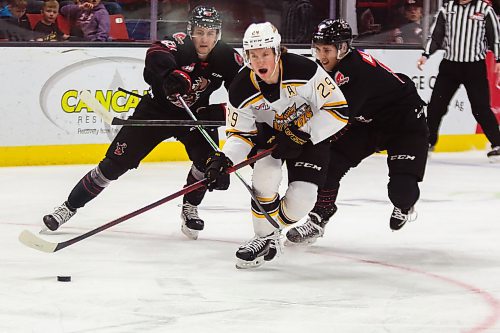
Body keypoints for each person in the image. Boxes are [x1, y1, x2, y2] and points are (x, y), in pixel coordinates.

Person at [42, 5, 244, 241]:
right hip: (155, 111)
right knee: (112, 165)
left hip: (193, 116)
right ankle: (69, 207)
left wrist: (222, 111)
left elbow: (243, 94)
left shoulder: (228, 58)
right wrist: (172, 75)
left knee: (207, 163)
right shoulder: (179, 44)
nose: (204, 39)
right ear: (190, 31)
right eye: (200, 32)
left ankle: (190, 207)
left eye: (210, 33)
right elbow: (155, 53)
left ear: (218, 34)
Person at [204, 22, 349, 268]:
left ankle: (271, 231)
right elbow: (240, 134)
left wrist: (302, 133)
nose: (260, 60)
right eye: (253, 55)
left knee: (302, 200)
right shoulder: (240, 88)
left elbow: (338, 112)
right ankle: (264, 238)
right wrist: (223, 158)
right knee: (265, 177)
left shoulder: (305, 70)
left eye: (265, 53)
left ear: (277, 51)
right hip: (271, 137)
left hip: (311, 135)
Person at [285, 19, 429, 245]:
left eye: (327, 50)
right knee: (329, 163)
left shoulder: (355, 70)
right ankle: (318, 218)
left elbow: (336, 119)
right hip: (368, 121)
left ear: (342, 48)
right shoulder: (327, 68)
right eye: (319, 49)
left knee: (402, 191)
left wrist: (299, 137)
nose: (322, 56)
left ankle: (404, 205)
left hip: (404, 123)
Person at [417, 0, 500, 159]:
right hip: (450, 66)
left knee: (480, 108)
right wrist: (425, 54)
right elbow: (436, 36)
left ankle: (498, 143)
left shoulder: (484, 9)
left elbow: (495, 36)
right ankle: (427, 142)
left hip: (474, 67)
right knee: (436, 105)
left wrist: (499, 59)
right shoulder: (447, 9)